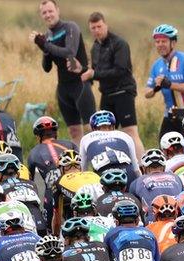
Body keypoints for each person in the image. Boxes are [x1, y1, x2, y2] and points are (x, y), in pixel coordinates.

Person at [80, 12, 142, 159]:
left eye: (99, 26)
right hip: (106, 94)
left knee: (130, 131)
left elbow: (120, 70)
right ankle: (110, 163)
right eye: (93, 28)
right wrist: (84, 77)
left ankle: (141, 165)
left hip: (123, 92)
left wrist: (94, 74)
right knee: (104, 134)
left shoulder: (119, 44)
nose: (96, 30)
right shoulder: (95, 47)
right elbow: (96, 71)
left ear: (106, 25)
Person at [31, 0, 94, 144]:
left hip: (80, 84)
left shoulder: (70, 27)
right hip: (63, 87)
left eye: (50, 11)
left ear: (57, 10)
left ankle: (102, 163)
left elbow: (69, 52)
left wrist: (45, 45)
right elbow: (47, 68)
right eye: (44, 12)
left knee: (91, 128)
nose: (48, 15)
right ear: (41, 15)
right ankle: (78, 165)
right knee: (74, 131)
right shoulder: (47, 36)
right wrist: (44, 48)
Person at [143, 24, 184, 137]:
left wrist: (170, 84)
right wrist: (155, 88)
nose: (160, 45)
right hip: (170, 114)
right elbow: (146, 93)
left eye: (163, 41)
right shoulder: (157, 65)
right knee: (164, 148)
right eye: (157, 42)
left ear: (173, 43)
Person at [130, 149, 181, 221]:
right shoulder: (176, 177)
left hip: (152, 224)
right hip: (177, 222)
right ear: (164, 167)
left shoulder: (137, 182)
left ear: (144, 168)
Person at [25, 115, 75, 186]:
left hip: (53, 191)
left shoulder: (33, 153)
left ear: (38, 137)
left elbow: (31, 181)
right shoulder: (70, 144)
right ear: (56, 133)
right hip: (76, 183)